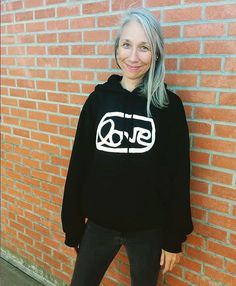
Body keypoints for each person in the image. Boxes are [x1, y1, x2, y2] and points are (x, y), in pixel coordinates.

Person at [61, 7, 193, 286]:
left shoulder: (169, 107)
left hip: (148, 231)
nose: (133, 57)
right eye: (127, 44)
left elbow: (179, 176)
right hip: (98, 226)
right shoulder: (98, 101)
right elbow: (79, 164)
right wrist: (72, 225)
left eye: (144, 47)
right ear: (116, 48)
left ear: (156, 53)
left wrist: (173, 238)